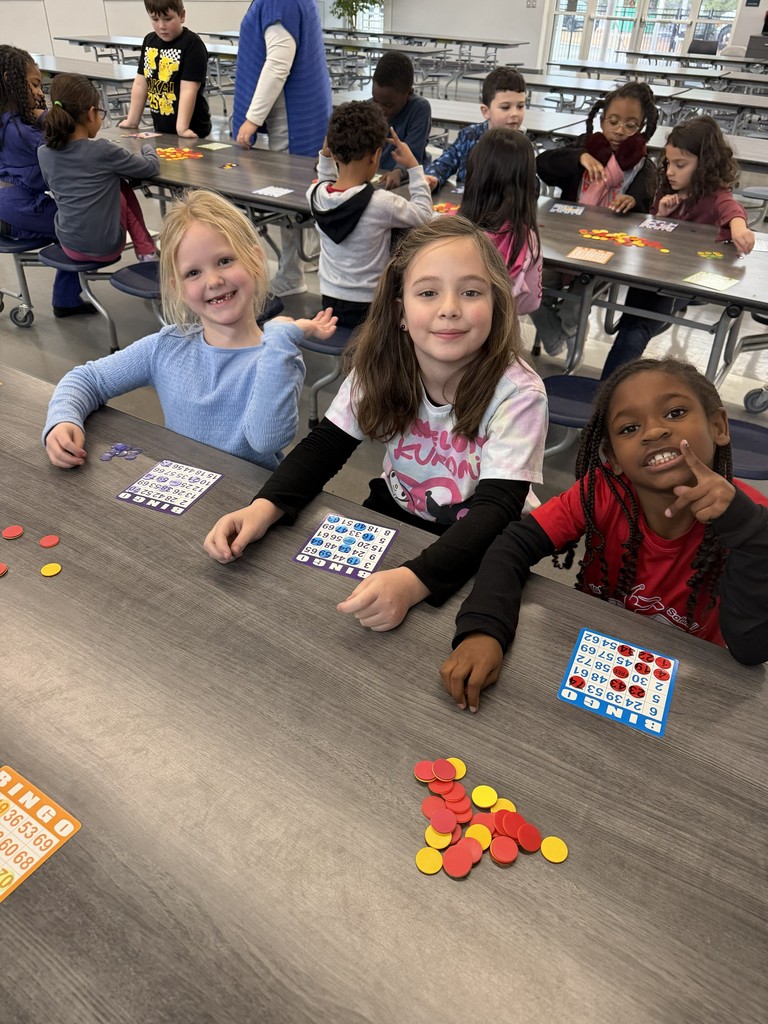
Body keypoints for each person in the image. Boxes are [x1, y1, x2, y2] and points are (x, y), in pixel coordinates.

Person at [204, 217, 548, 632]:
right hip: (399, 508)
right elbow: (325, 446)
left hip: (488, 537)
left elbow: (497, 509)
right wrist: (264, 506)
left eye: (471, 292)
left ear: (496, 303)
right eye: (428, 292)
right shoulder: (381, 366)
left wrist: (414, 580)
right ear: (401, 311)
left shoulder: (519, 394)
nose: (450, 308)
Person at [441, 358, 768, 712]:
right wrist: (485, 629)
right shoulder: (599, 491)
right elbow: (513, 545)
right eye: (629, 428)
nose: (654, 432)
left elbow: (751, 649)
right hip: (590, 660)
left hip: (691, 686)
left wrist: (747, 531)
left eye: (674, 412)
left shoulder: (752, 519)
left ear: (718, 425)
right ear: (611, 455)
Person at [43, 189, 336, 470]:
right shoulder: (167, 346)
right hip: (183, 492)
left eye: (225, 260)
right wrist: (63, 419)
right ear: (177, 288)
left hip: (248, 507)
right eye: (193, 273)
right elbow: (89, 378)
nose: (213, 280)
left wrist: (282, 338)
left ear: (256, 260)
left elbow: (266, 439)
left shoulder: (277, 357)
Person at [600, 116, 755, 379]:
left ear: (705, 165)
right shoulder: (668, 190)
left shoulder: (715, 195)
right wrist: (661, 215)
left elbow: (732, 210)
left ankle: (607, 391)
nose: (670, 171)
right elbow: (654, 234)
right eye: (669, 163)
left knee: (635, 328)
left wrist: (740, 228)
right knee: (632, 324)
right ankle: (610, 388)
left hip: (682, 282)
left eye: (680, 165)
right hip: (654, 273)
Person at [532, 81, 660, 357]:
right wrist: (579, 157)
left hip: (608, 255)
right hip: (564, 244)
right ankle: (559, 339)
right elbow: (542, 165)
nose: (619, 130)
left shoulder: (643, 167)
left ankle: (562, 333)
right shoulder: (585, 149)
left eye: (630, 125)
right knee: (530, 286)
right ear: (601, 120)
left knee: (575, 303)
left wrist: (634, 202)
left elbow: (648, 205)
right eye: (613, 121)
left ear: (641, 128)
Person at [232, 0, 332, 297]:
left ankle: (291, 273)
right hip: (301, 107)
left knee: (291, 191)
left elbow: (278, 62)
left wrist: (252, 119)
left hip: (293, 112)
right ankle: (303, 262)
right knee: (308, 187)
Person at [307, 101, 434, 331]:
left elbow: (325, 178)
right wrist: (415, 167)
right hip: (372, 307)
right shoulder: (382, 204)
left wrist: (325, 157)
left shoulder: (314, 195)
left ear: (333, 152)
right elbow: (425, 216)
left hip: (330, 302)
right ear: (376, 156)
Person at [0, 45, 93, 316]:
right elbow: (64, 150)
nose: (41, 93)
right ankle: (66, 300)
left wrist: (41, 116)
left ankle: (66, 297)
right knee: (79, 226)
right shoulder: (20, 131)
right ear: (11, 80)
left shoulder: (9, 123)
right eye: (35, 85)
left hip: (10, 205)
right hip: (18, 210)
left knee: (67, 223)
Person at [38, 74, 159, 262]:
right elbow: (150, 168)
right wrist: (148, 147)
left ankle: (147, 250)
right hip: (105, 247)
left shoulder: (44, 153)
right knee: (120, 186)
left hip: (68, 244)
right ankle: (146, 251)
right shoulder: (102, 150)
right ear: (91, 113)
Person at [459, 128, 542, 315]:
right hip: (499, 335)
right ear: (527, 183)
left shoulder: (448, 229)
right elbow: (530, 303)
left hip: (452, 329)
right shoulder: (526, 239)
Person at [423, 67, 527, 193]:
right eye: (505, 107)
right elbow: (444, 163)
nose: (514, 113)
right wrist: (433, 178)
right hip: (466, 206)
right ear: (486, 111)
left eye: (520, 106)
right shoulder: (470, 135)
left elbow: (532, 186)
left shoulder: (522, 145)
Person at [118, 0, 211, 139]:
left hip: (191, 127)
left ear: (182, 15)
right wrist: (132, 120)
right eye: (155, 19)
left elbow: (189, 89)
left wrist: (182, 128)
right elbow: (141, 83)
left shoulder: (192, 44)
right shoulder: (149, 41)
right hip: (161, 127)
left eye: (168, 19)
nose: (161, 26)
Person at [372, 51, 432, 191]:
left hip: (409, 179)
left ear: (408, 94)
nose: (380, 109)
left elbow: (413, 152)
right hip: (377, 178)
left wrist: (398, 172)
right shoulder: (369, 108)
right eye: (376, 100)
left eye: (388, 105)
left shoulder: (419, 109)